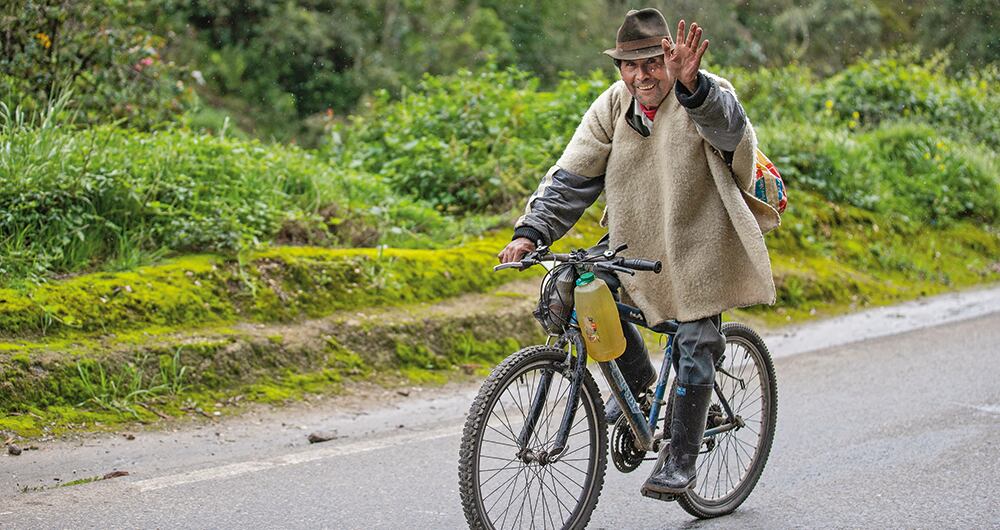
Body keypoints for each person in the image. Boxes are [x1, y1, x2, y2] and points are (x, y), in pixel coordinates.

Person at [496, 8, 777, 495]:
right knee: (570, 288)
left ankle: (682, 457)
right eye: (630, 65)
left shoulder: (705, 92)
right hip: (636, 239)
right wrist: (532, 231)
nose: (641, 75)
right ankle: (640, 384)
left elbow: (732, 132)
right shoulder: (612, 105)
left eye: (652, 63)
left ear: (671, 58)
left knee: (694, 338)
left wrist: (694, 88)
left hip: (702, 242)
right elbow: (573, 175)